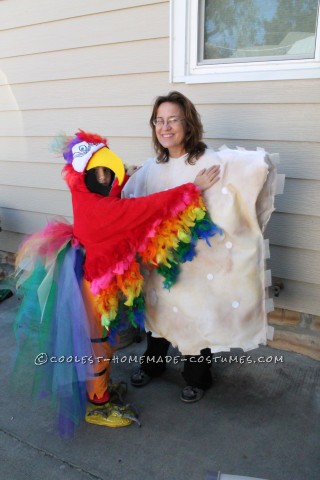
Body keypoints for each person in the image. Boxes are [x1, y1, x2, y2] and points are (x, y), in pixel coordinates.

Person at [14, 129, 221, 435]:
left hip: (88, 274)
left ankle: (101, 389)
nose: (110, 178)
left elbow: (106, 188)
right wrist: (193, 188)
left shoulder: (81, 193)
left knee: (101, 341)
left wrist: (124, 176)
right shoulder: (107, 212)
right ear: (91, 176)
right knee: (97, 345)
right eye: (105, 173)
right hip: (95, 286)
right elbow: (147, 208)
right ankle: (98, 405)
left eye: (110, 172)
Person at [123, 91, 276, 403]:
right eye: (159, 121)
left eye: (173, 120)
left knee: (195, 314)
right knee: (157, 315)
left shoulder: (208, 163)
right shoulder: (152, 167)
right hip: (159, 260)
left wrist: (258, 166)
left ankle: (196, 377)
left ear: (187, 123)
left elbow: (236, 183)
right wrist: (126, 175)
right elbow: (134, 204)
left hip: (196, 263)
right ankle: (153, 366)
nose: (165, 127)